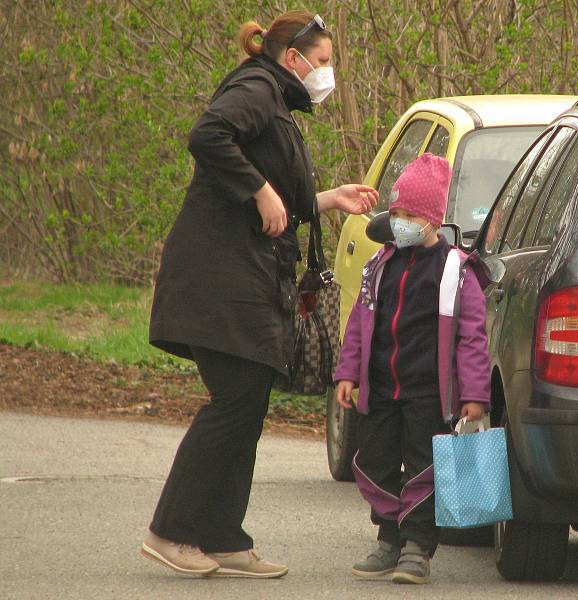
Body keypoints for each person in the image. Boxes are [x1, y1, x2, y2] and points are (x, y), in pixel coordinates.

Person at [140, 11, 378, 579]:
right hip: (218, 282)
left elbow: (277, 209)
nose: (327, 74)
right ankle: (170, 531)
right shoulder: (256, 87)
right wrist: (259, 189)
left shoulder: (276, 105)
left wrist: (325, 199)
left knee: (245, 404)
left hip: (244, 278)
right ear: (292, 57)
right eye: (321, 62)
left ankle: (223, 538)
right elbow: (207, 136)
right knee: (233, 403)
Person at [334, 153, 491, 585]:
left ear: (430, 220)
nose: (397, 221)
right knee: (375, 462)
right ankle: (389, 539)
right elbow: (360, 324)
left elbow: (473, 337)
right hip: (381, 389)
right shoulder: (380, 265)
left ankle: (418, 548)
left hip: (428, 394)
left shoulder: (457, 272)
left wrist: (475, 395)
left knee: (425, 469)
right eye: (394, 212)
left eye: (406, 214)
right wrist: (347, 372)